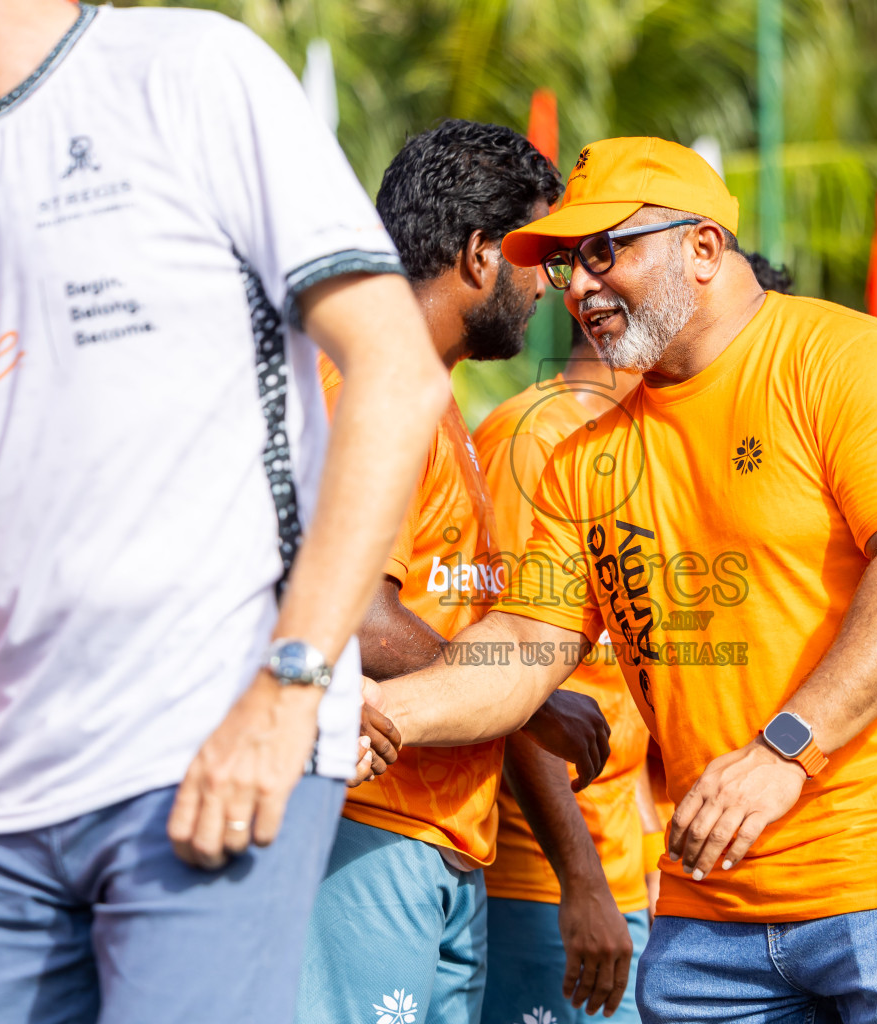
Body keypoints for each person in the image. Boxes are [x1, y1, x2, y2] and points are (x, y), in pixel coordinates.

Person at [0, 2, 452, 1021]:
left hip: (217, 736)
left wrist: (289, 685)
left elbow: (397, 375)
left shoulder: (195, 72)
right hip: (0, 786)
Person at [364, 135, 877, 1024]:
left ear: (704, 248)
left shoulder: (851, 361)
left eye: (606, 252)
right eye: (566, 264)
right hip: (713, 901)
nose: (583, 289)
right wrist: (376, 719)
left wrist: (788, 747)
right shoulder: (581, 459)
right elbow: (522, 647)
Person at [298, 120, 623, 1024]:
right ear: (480, 255)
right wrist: (524, 693)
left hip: (441, 836)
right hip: (366, 822)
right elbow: (355, 617)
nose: (549, 293)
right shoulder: (365, 382)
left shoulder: (435, 401)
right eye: (539, 264)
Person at [474, 331, 652, 1022]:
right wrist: (582, 882)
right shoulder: (533, 437)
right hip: (542, 885)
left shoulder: (633, 443)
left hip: (617, 877)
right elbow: (501, 670)